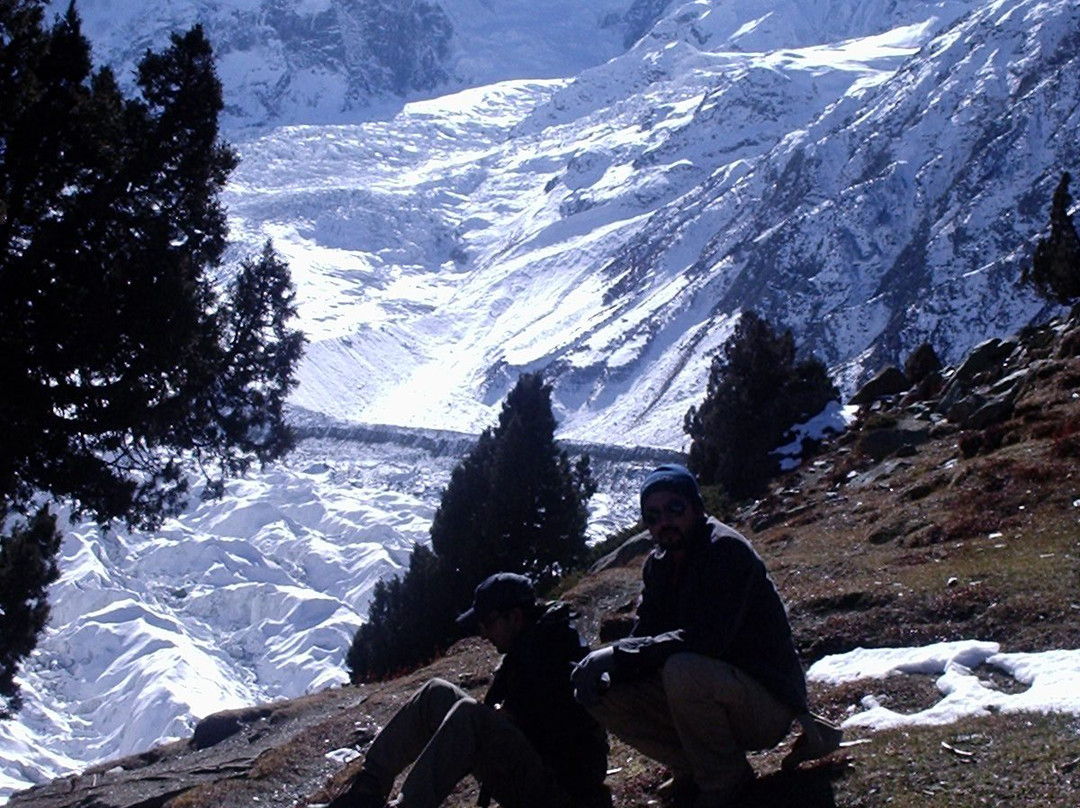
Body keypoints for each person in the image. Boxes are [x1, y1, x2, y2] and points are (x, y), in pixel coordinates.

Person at [571, 464, 841, 808]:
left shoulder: (726, 550)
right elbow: (645, 635)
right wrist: (603, 664)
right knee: (606, 690)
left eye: (674, 509)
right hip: (713, 695)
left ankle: (725, 780)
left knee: (683, 670)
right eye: (653, 515)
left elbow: (708, 640)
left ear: (697, 508)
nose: (664, 522)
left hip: (765, 703)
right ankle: (694, 768)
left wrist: (618, 654)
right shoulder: (660, 564)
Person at [329, 572, 610, 808]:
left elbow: (522, 721)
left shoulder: (550, 651)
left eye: (488, 623)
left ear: (514, 617)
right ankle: (367, 789)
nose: (484, 634)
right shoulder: (532, 641)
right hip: (539, 771)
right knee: (436, 693)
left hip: (564, 793)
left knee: (469, 716)